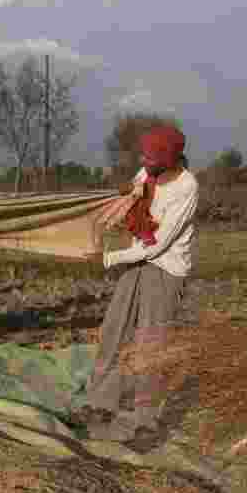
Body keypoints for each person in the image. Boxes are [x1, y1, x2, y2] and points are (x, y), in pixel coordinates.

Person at [74, 125, 199, 450]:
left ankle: (146, 421)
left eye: (151, 158)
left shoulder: (186, 187)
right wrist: (121, 197)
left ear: (169, 159)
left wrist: (107, 258)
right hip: (137, 259)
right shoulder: (149, 172)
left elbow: (156, 245)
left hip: (165, 266)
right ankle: (100, 403)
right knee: (115, 329)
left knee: (150, 344)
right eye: (143, 156)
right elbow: (135, 192)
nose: (145, 162)